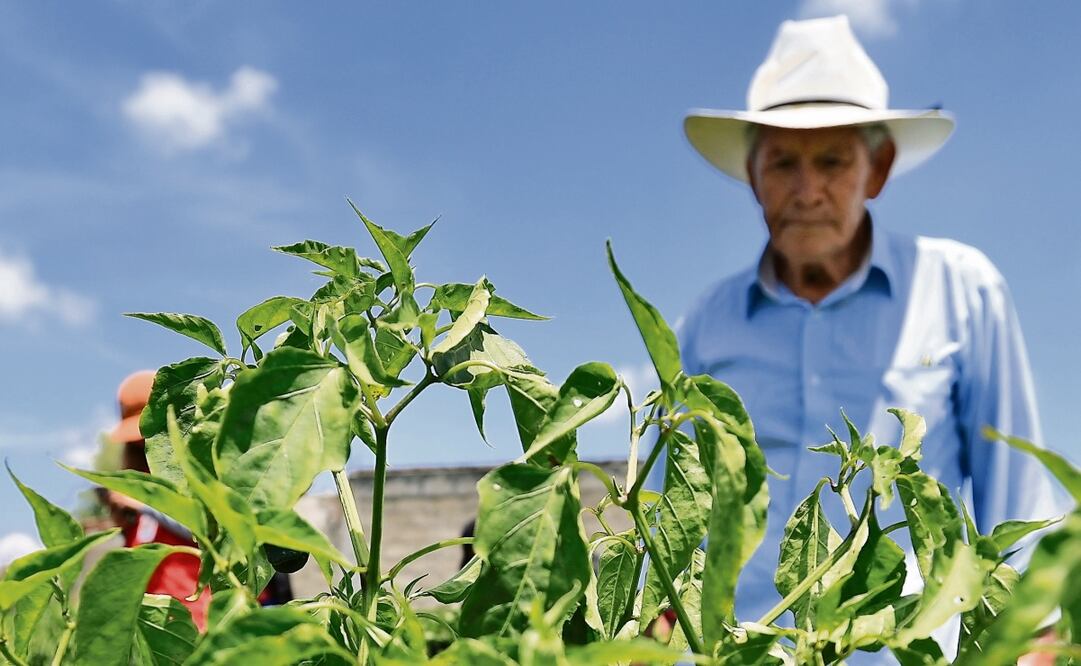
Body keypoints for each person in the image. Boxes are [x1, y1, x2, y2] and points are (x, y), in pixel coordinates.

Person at [669, 15, 1068, 661]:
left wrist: (1034, 644)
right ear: (751, 174)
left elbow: (1013, 500)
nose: (806, 191)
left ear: (876, 170)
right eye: (782, 163)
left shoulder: (960, 290)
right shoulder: (706, 321)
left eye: (831, 161)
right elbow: (676, 517)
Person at [106, 370, 211, 630]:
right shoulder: (139, 480)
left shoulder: (196, 471)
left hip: (202, 620)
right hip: (157, 628)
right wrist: (124, 523)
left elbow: (207, 530)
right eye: (136, 443)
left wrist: (144, 503)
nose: (144, 448)